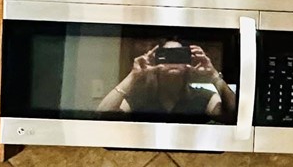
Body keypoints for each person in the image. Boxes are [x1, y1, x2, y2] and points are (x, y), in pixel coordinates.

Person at [95, 41, 236, 119]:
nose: (173, 61)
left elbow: (234, 114)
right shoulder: (139, 96)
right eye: (167, 56)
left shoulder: (204, 97)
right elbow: (102, 115)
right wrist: (133, 75)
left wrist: (214, 77)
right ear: (156, 61)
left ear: (188, 61)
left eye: (179, 55)